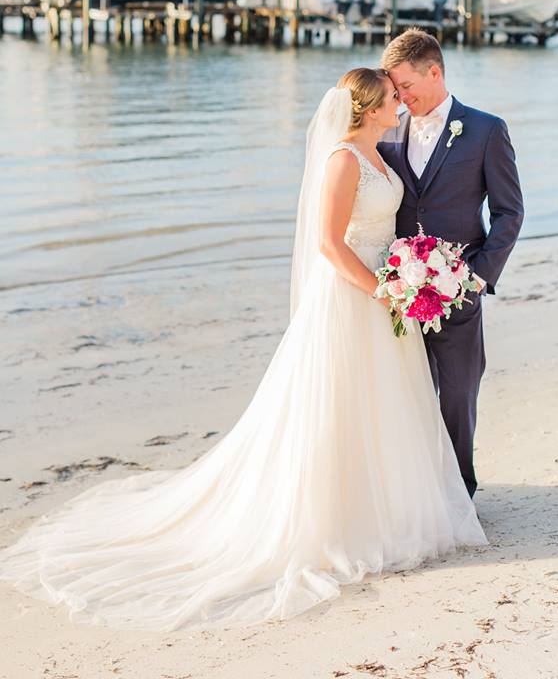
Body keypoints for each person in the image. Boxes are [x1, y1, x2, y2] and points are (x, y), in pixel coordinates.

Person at [0, 68, 486, 633]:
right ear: (368, 106)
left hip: (387, 293)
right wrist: (381, 290)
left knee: (384, 405)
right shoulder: (342, 160)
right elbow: (329, 244)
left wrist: (407, 275)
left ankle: (392, 513)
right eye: (390, 97)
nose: (399, 102)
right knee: (338, 404)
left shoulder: (380, 153)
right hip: (355, 297)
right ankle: (336, 521)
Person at [379, 30, 524, 498]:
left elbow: (509, 211)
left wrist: (478, 276)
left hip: (459, 291)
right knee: (404, 396)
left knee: (458, 397)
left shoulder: (484, 129)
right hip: (400, 295)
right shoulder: (387, 134)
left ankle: (461, 493)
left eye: (405, 86)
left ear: (434, 72)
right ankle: (414, 493)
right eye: (395, 90)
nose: (400, 97)